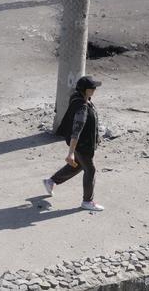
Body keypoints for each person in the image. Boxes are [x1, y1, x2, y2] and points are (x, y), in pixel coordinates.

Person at [44, 75, 105, 212]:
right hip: (82, 145)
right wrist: (70, 153)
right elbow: (76, 132)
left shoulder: (80, 98)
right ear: (85, 89)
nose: (95, 89)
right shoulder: (82, 108)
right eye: (92, 87)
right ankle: (87, 201)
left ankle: (51, 181)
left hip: (83, 144)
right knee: (90, 170)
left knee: (77, 166)